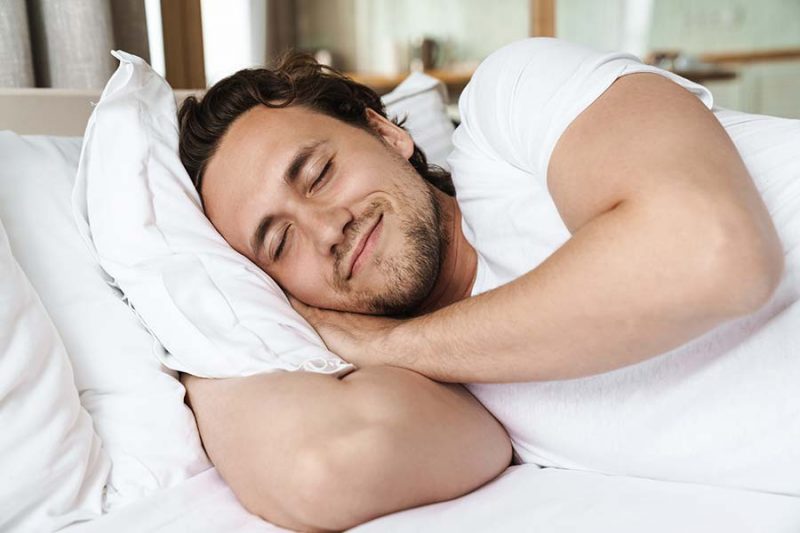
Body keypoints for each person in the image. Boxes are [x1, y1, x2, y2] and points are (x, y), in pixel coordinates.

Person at [177, 38, 797, 532]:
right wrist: (192, 331)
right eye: (279, 243)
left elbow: (713, 252)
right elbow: (323, 470)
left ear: (386, 133)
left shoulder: (511, 106)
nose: (326, 228)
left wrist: (388, 344)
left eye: (319, 173)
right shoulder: (450, 389)